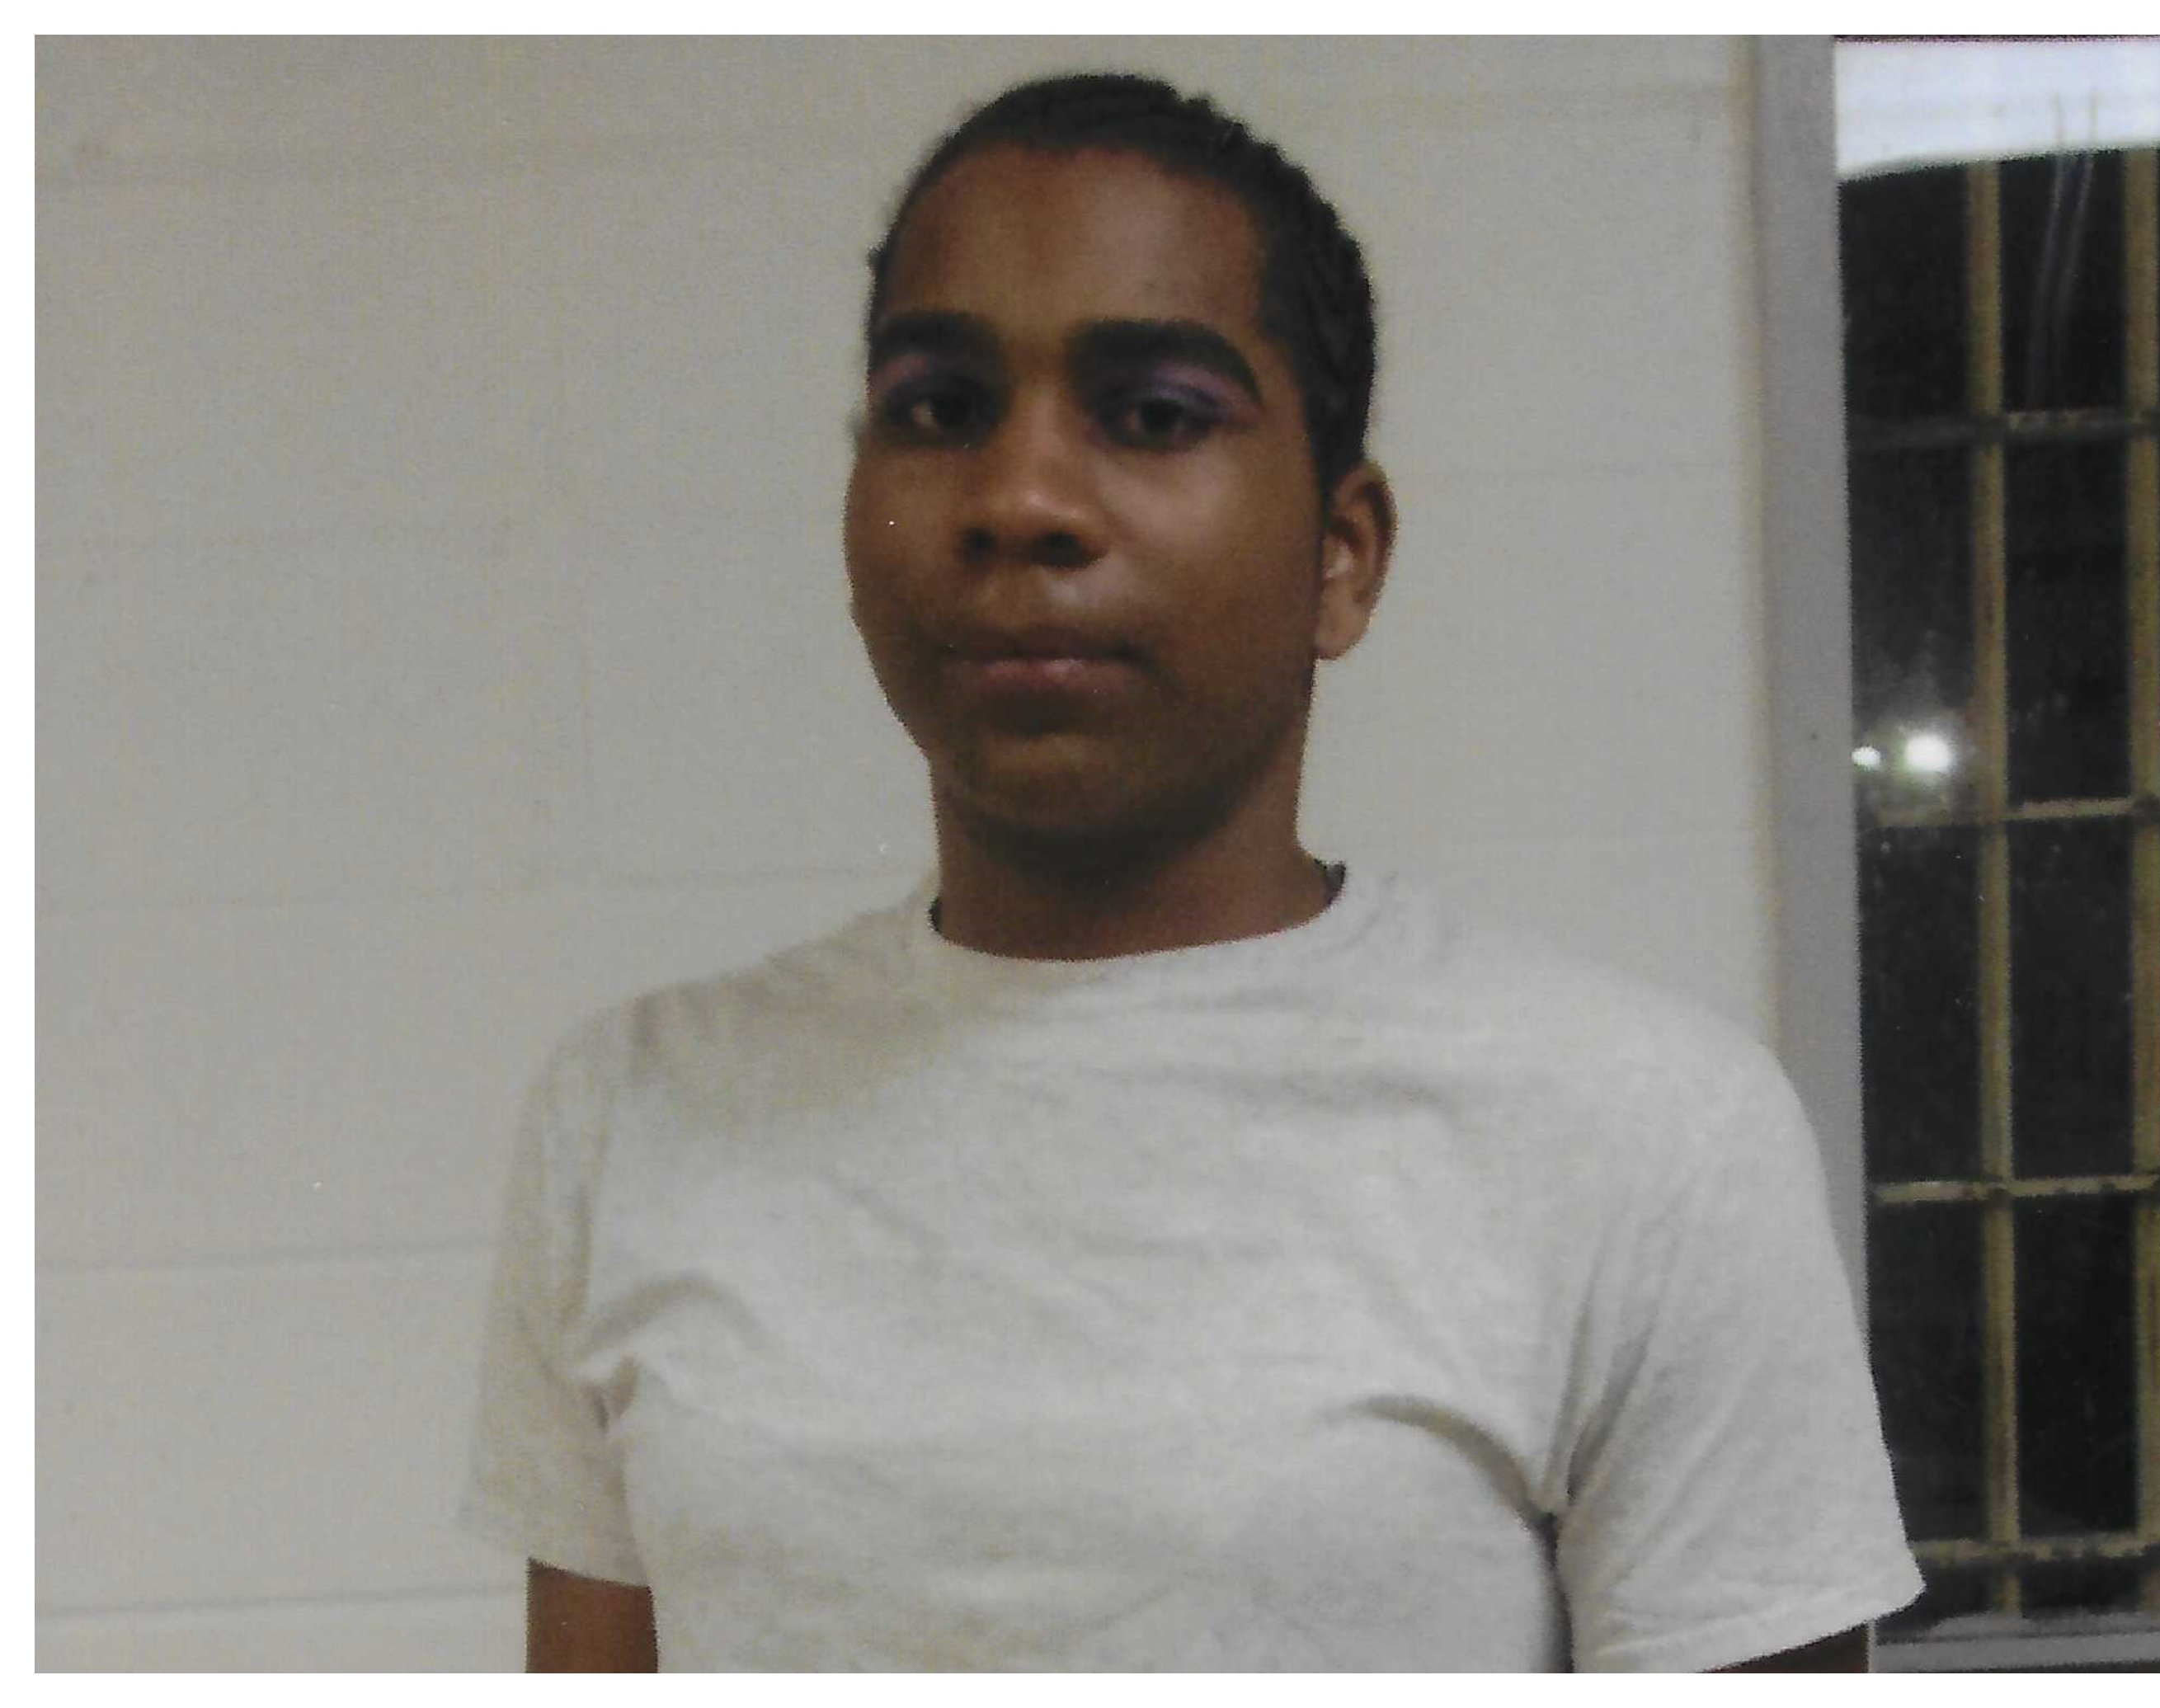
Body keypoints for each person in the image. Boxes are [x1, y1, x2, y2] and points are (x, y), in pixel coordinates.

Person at [461, 70, 1922, 1673]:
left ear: (1342, 554)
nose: (1019, 500)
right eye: (939, 409)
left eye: (1153, 416)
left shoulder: (1645, 1139)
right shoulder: (636, 1115)